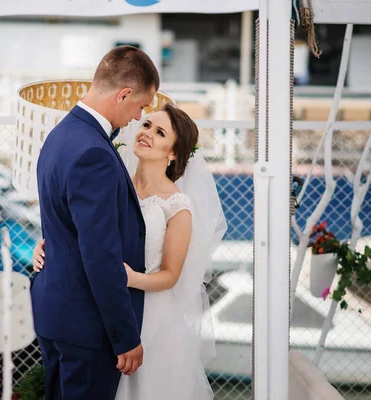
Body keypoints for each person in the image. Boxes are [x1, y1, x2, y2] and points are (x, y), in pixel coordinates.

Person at [33, 103, 227, 399]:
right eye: (147, 124)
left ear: (173, 153)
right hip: (97, 312)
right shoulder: (111, 178)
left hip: (150, 319)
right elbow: (83, 230)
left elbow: (171, 275)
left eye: (160, 132)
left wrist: (129, 278)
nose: (147, 133)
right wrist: (47, 246)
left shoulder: (177, 207)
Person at [31, 45, 160, 400]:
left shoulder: (60, 136)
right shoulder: (94, 153)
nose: (138, 117)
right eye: (141, 106)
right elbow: (100, 255)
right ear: (123, 94)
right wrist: (125, 336)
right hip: (86, 326)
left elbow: (60, 222)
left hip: (56, 313)